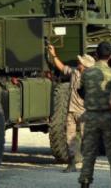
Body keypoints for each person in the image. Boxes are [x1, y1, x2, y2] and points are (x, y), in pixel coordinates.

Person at [47, 43, 94, 172]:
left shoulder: (91, 78)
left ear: (85, 66)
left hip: (84, 113)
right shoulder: (75, 72)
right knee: (70, 138)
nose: (78, 63)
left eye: (81, 62)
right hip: (71, 111)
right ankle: (72, 163)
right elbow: (62, 67)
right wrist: (53, 55)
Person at [78, 41, 111, 188]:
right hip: (109, 116)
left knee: (89, 152)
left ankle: (85, 182)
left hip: (91, 116)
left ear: (95, 55)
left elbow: (82, 92)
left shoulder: (87, 73)